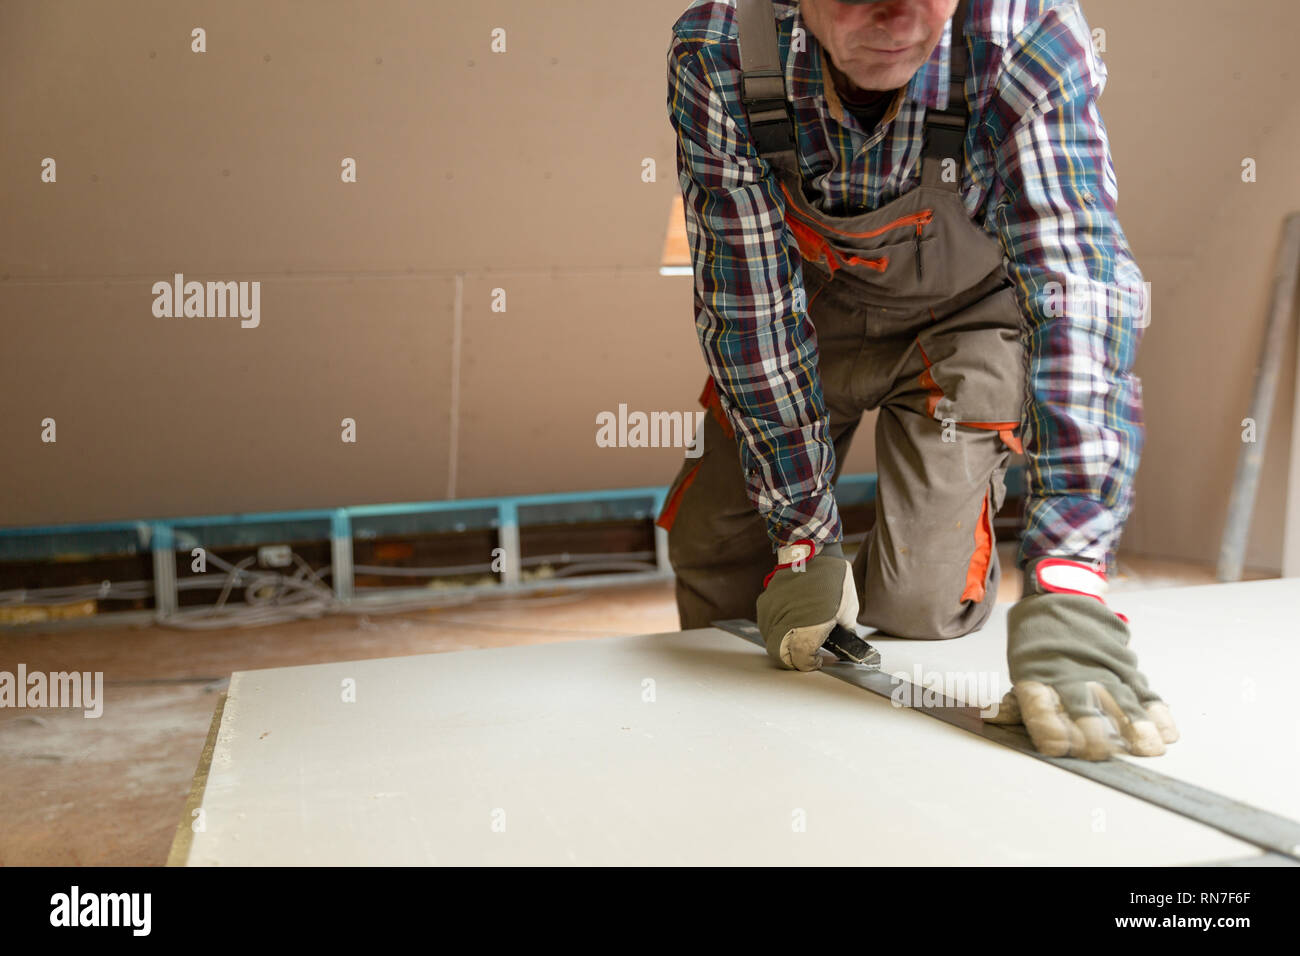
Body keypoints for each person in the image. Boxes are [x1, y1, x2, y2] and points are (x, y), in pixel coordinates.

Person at [658, 0, 1179, 760]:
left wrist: (1071, 571)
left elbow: (1078, 282)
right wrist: (803, 536)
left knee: (920, 602)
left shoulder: (1024, 33)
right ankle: (727, 757)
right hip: (808, 313)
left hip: (966, 321)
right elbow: (751, 312)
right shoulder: (721, 52)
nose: (896, 15)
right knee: (722, 546)